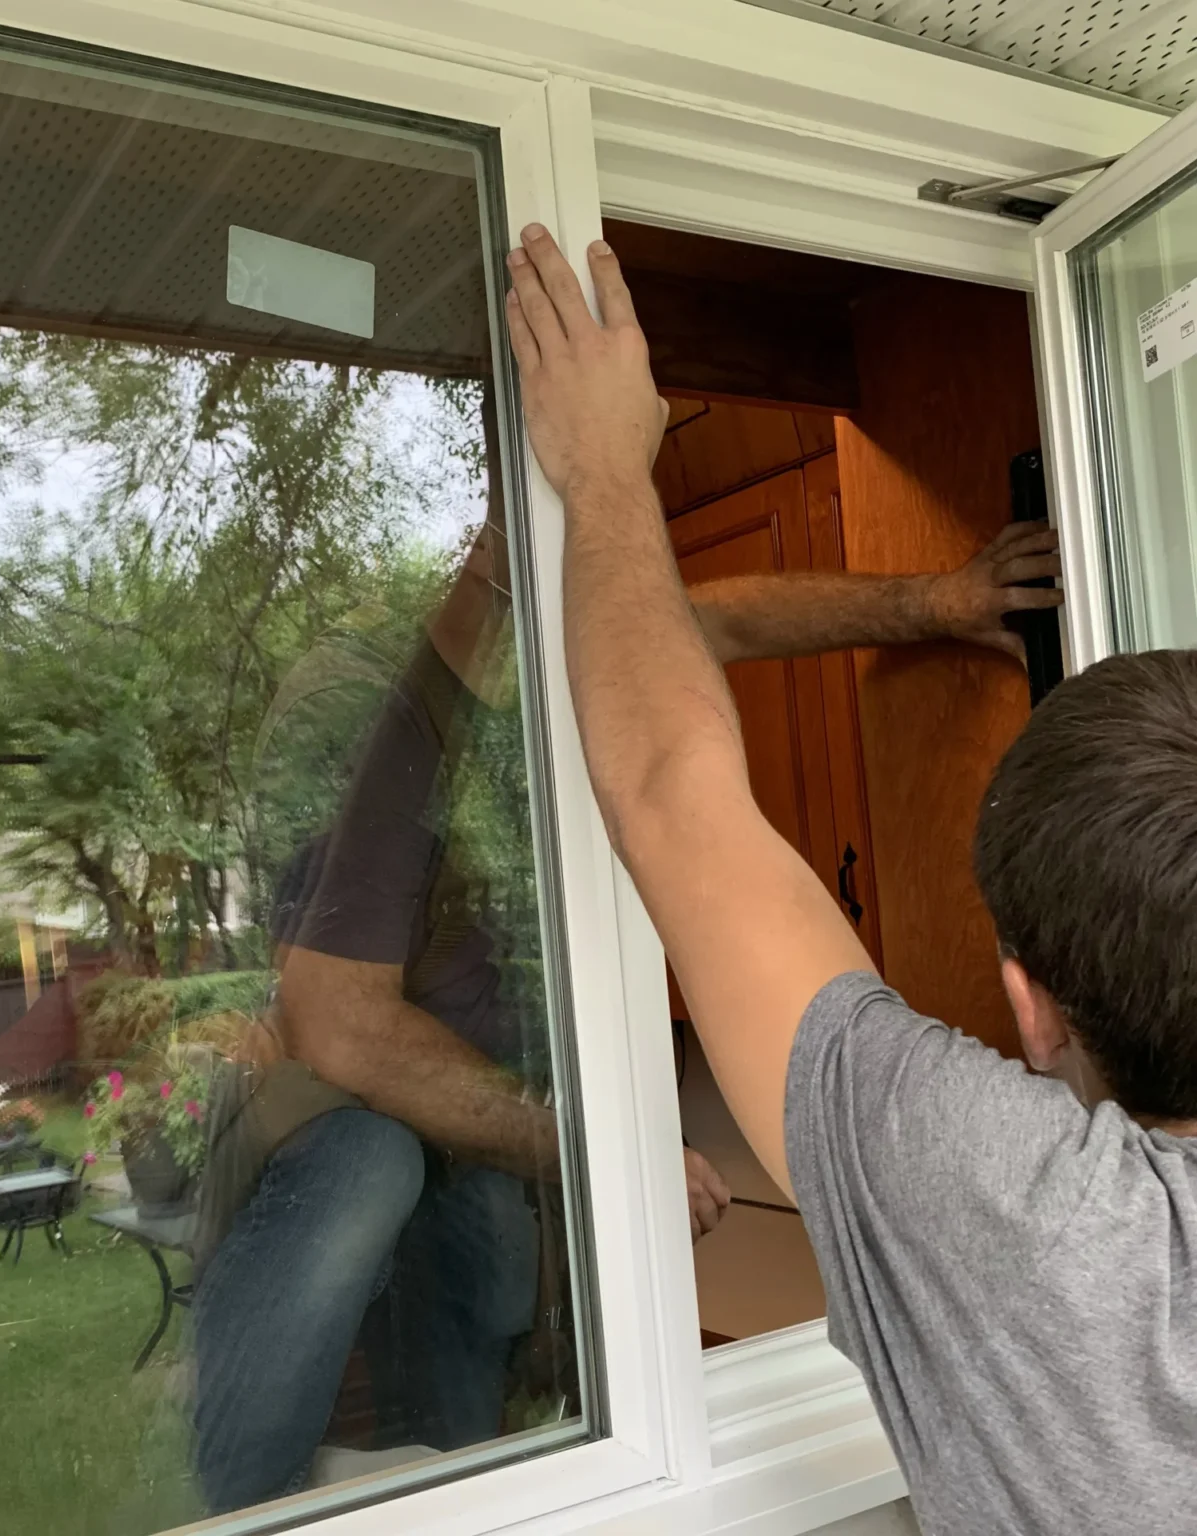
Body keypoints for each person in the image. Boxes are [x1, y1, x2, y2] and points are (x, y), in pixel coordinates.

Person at [186, 361, 1068, 1519]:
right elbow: (340, 1025)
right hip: (368, 1131)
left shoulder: (534, 666)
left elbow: (718, 619)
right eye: (504, 543)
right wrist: (605, 1155)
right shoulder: (366, 718)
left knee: (505, 1323)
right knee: (389, 1190)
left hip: (504, 1131)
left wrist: (938, 603)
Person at [501, 221, 1197, 1534]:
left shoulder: (1021, 1214)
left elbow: (670, 788)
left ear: (1027, 1004)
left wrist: (600, 480)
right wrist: (930, 604)